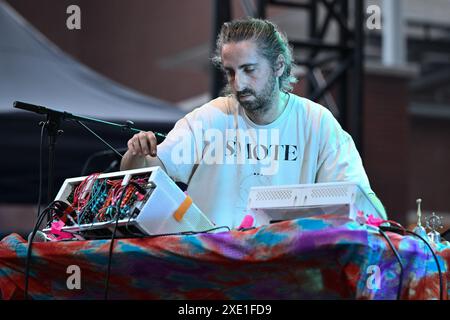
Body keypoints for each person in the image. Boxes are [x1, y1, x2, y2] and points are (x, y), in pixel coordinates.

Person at [120, 18, 387, 229]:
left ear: (279, 66)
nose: (239, 83)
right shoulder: (209, 118)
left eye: (249, 70)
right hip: (211, 269)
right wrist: (136, 156)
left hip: (286, 268)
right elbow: (145, 175)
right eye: (231, 72)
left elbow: (360, 201)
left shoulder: (317, 123)